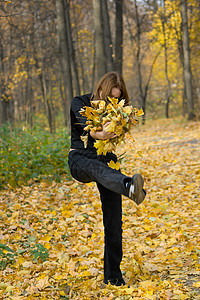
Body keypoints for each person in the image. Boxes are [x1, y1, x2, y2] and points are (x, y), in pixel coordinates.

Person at [68, 71, 146, 286]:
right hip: (81, 158)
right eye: (108, 97)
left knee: (114, 221)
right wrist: (100, 134)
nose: (111, 102)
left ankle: (113, 276)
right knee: (98, 168)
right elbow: (88, 127)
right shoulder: (80, 102)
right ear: (100, 88)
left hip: (107, 161)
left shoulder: (117, 111)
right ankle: (128, 185)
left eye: (116, 99)